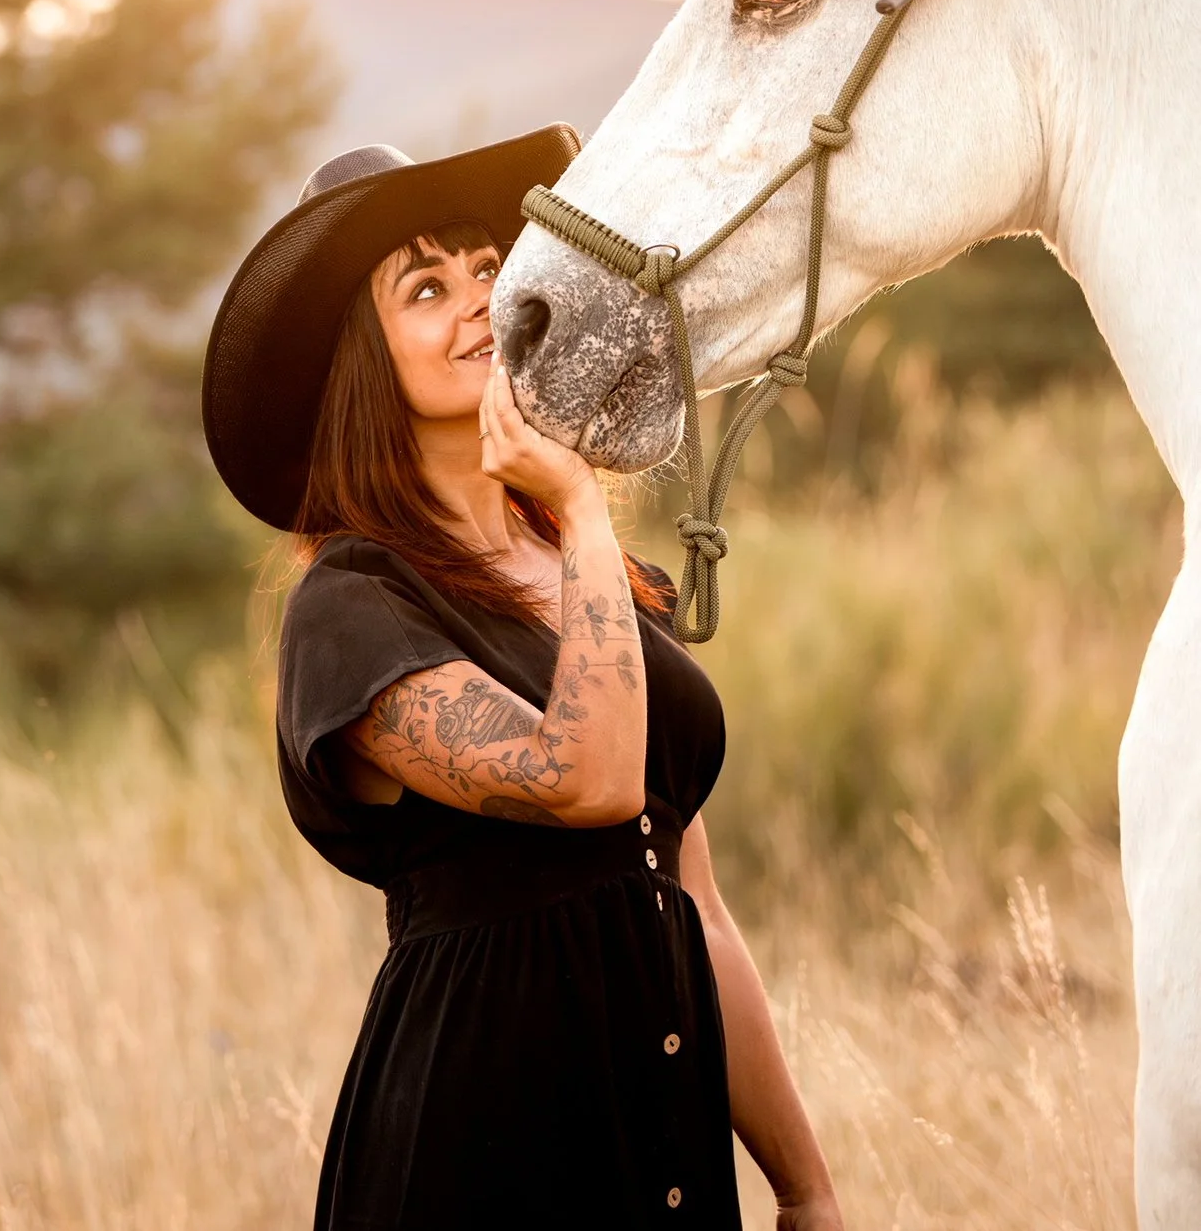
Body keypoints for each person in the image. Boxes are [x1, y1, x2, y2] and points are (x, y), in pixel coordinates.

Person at [203, 126, 842, 1230]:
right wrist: (586, 504)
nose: (475, 300)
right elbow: (580, 777)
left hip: (665, 1141)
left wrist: (805, 1185)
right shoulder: (354, 608)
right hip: (481, 1144)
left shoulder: (607, 587)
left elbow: (696, 904)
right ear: (364, 356)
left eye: (487, 271)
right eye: (424, 287)